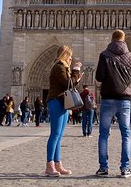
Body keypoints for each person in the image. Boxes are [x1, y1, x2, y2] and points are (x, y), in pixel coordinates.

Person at [95, 29, 131, 178]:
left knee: (103, 135)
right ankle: (125, 168)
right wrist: (128, 82)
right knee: (126, 135)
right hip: (124, 100)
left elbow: (99, 77)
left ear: (112, 40)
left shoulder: (104, 54)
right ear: (124, 40)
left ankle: (103, 168)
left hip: (107, 99)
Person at [44, 45, 81, 177]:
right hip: (56, 102)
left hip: (63, 103)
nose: (71, 58)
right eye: (70, 55)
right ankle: (49, 165)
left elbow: (69, 83)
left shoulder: (63, 67)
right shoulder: (58, 67)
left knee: (59, 136)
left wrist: (74, 73)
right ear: (65, 55)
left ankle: (58, 164)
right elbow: (68, 84)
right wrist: (76, 71)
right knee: (55, 135)